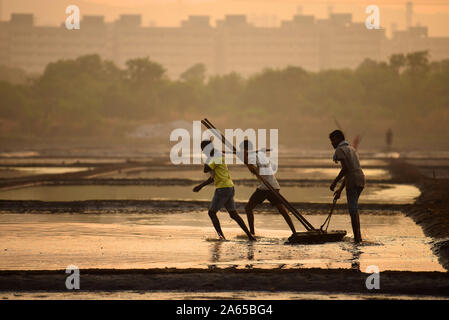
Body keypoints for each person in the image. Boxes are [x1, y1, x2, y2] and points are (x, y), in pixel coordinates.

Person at [193, 140, 256, 241]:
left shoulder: (217, 157)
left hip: (223, 189)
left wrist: (209, 157)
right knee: (233, 214)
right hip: (229, 187)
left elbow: (206, 169)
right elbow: (213, 177)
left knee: (211, 213)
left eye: (203, 150)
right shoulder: (217, 156)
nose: (203, 152)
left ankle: (221, 237)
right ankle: (250, 236)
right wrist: (201, 186)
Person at [239, 140, 296, 236]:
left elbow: (254, 171)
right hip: (273, 185)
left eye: (243, 150)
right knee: (282, 210)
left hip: (266, 187)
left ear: (246, 149)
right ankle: (294, 231)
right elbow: (256, 169)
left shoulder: (254, 156)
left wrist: (246, 159)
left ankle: (252, 233)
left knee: (248, 208)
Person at [329, 130, 365, 243]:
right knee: (354, 209)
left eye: (333, 140)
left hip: (353, 180)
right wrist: (340, 190)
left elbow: (345, 169)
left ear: (338, 138)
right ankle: (358, 236)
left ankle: (357, 238)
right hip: (360, 179)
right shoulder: (351, 148)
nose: (332, 143)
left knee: (353, 210)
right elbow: (349, 170)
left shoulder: (340, 150)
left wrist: (335, 182)